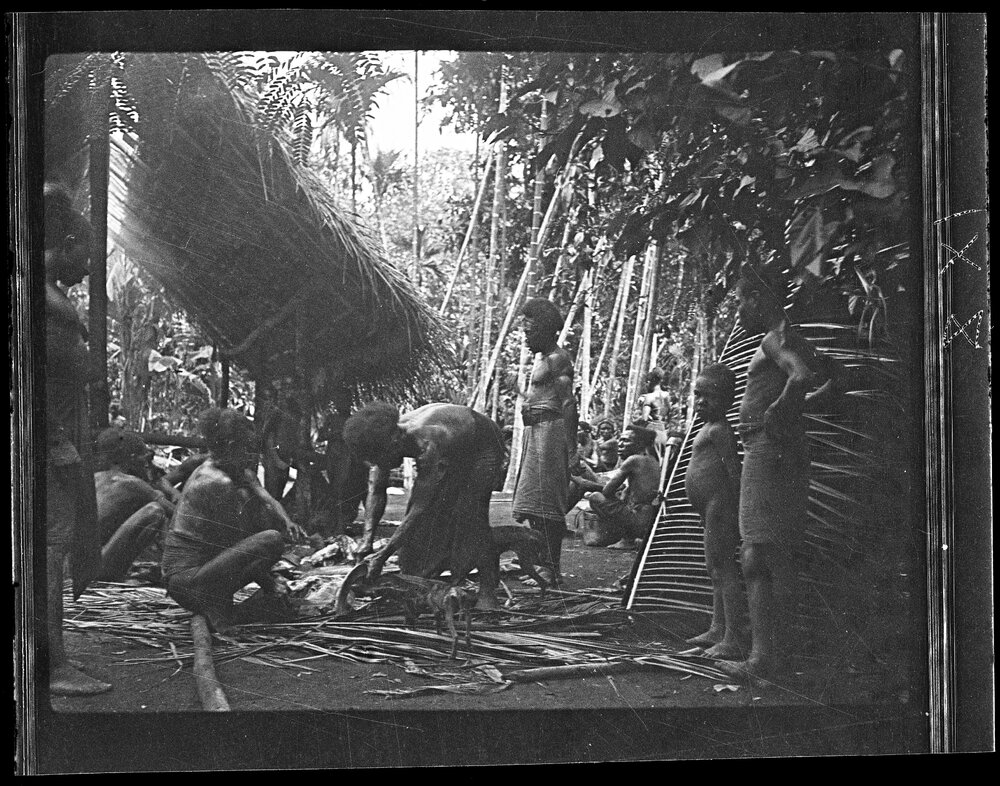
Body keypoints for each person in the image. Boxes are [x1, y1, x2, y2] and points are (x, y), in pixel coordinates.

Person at [718, 267, 843, 682]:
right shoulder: (790, 338)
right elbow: (828, 383)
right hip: (774, 448)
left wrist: (779, 410)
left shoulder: (774, 339)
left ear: (758, 297)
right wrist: (793, 410)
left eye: (741, 300)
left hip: (768, 449)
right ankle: (774, 656)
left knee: (756, 553)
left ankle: (761, 659)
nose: (738, 310)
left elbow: (802, 378)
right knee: (772, 551)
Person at [41, 182, 111, 696]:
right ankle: (52, 665)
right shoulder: (40, 301)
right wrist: (54, 441)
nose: (87, 266)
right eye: (84, 253)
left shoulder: (48, 297)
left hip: (53, 443)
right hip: (49, 450)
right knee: (48, 552)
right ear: (64, 243)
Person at [343, 402, 505, 610]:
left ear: (394, 443)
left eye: (379, 460)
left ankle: (488, 592)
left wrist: (383, 555)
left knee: (472, 515)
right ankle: (426, 580)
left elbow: (420, 508)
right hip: (453, 445)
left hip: (483, 441)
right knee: (422, 531)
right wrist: (367, 541)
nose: (379, 465)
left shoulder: (428, 441)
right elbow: (376, 489)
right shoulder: (385, 437)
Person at [161, 408, 305, 632]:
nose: (251, 455)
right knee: (271, 540)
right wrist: (270, 584)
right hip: (189, 583)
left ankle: (218, 603)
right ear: (230, 447)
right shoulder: (217, 482)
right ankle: (216, 608)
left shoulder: (223, 471)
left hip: (191, 578)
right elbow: (235, 544)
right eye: (246, 448)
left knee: (263, 535)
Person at [510, 298, 578, 585]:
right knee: (535, 503)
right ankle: (540, 562)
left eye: (531, 332)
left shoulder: (557, 359)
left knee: (548, 503)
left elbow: (568, 403)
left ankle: (551, 567)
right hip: (537, 433)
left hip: (551, 434)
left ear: (546, 331)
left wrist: (571, 446)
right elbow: (543, 399)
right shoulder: (542, 360)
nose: (527, 338)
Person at [683, 364, 747, 658]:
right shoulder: (707, 428)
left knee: (723, 568)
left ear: (728, 400)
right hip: (709, 509)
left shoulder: (721, 430)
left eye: (711, 396)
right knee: (715, 569)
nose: (701, 402)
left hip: (719, 506)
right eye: (698, 395)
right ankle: (717, 626)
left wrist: (734, 508)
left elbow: (734, 472)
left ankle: (732, 637)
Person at [93, 428, 175, 581]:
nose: (146, 464)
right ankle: (170, 569)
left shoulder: (94, 478)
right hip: (94, 569)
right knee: (155, 511)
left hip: (73, 566)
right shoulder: (133, 483)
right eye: (144, 458)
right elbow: (177, 514)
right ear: (132, 458)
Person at [576, 424, 662, 551]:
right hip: (648, 520)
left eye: (626, 440)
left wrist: (585, 484)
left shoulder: (633, 460)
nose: (620, 444)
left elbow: (607, 491)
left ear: (640, 444)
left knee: (595, 498)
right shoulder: (652, 460)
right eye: (620, 439)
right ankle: (625, 537)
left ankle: (627, 539)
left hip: (639, 520)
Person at [638, 367, 671, 458]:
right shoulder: (667, 395)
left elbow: (644, 418)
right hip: (663, 430)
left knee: (648, 458)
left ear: (651, 380)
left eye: (648, 381)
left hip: (651, 431)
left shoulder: (649, 397)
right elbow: (669, 413)